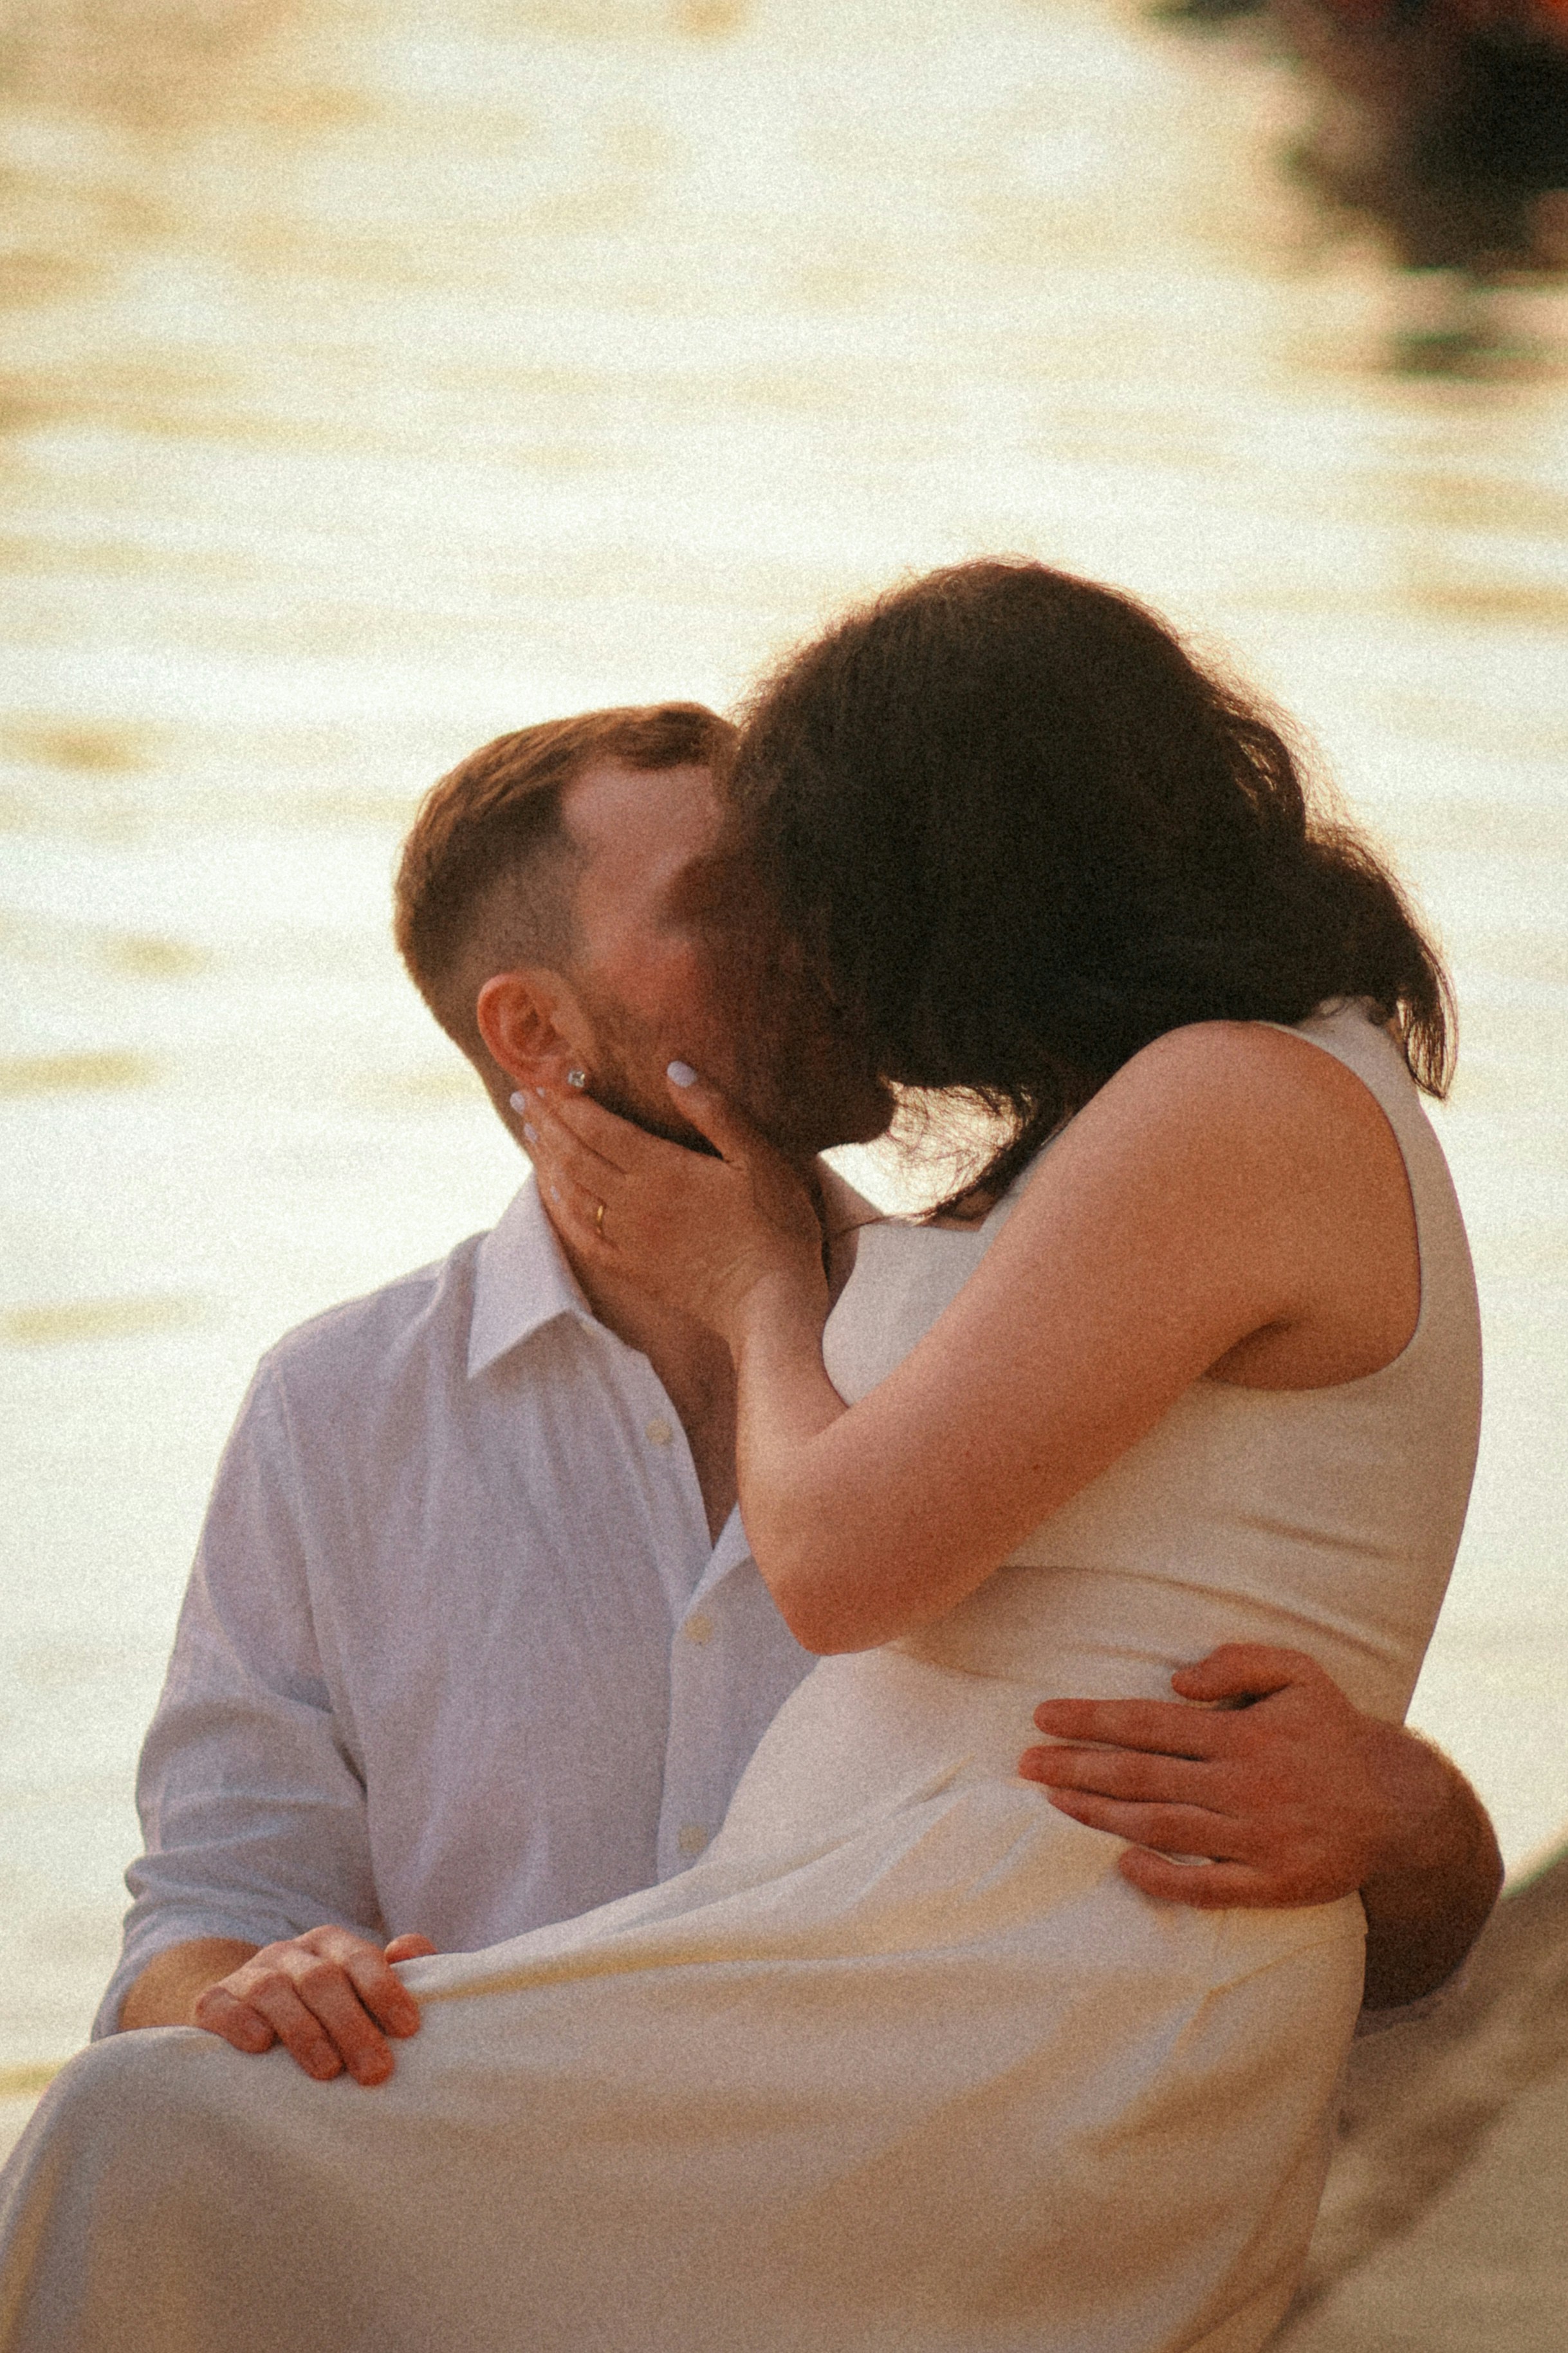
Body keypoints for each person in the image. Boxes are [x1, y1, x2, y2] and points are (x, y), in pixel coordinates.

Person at [0, 570, 1491, 2351]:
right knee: (147, 2123)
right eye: (733, 901)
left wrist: (1420, 1824)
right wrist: (260, 1988)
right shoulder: (343, 1416)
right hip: (599, 2154)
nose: (816, 933)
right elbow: (209, 1913)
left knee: (128, 2148)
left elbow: (1230, 1683)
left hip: (939, 2103)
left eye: (821, 873)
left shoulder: (1066, 1259)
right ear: (535, 1035)